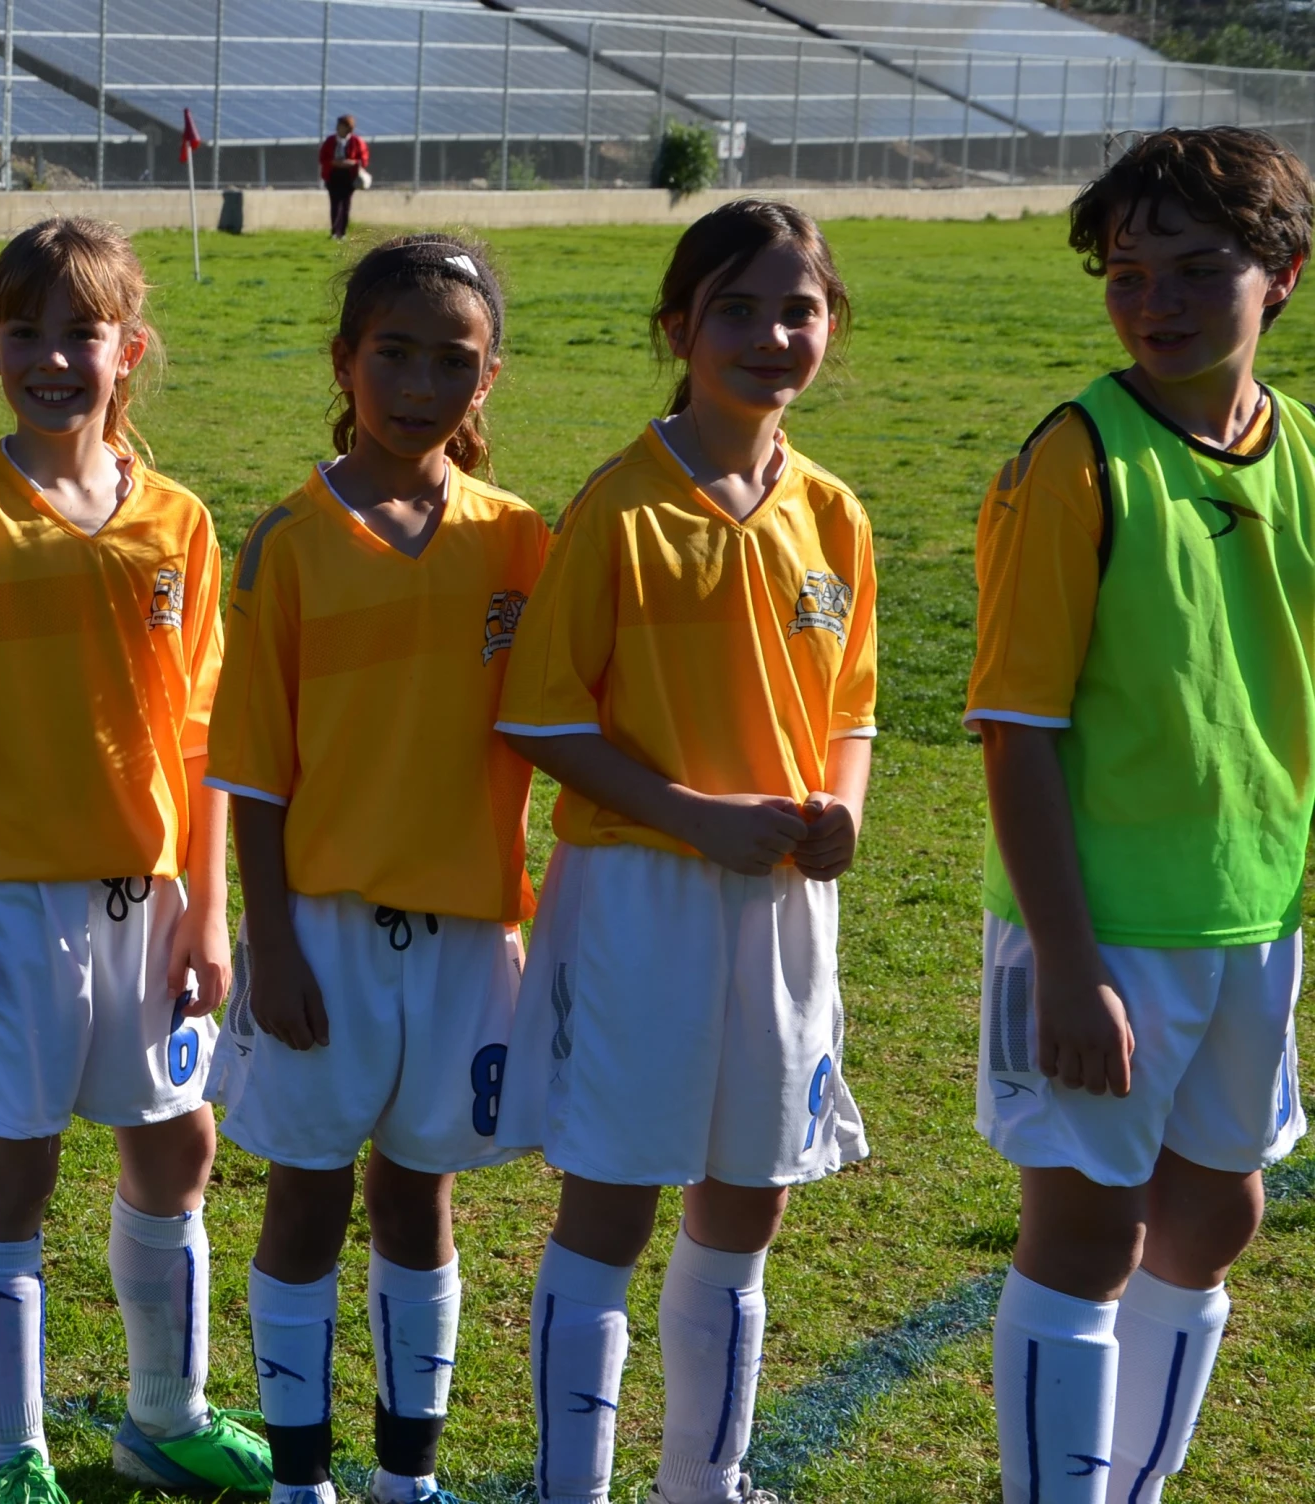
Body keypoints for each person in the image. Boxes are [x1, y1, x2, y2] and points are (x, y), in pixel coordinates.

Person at [493, 199, 877, 1504]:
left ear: (827, 327)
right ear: (678, 328)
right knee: (609, 1201)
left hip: (778, 907)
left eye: (795, 309)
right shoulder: (619, 506)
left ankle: (700, 1482)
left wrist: (843, 809)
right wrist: (694, 815)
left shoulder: (832, 514)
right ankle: (571, 1487)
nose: (768, 334)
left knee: (747, 1200)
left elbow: (853, 713)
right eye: (734, 309)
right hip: (640, 897)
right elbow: (542, 718)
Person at [0, 216, 266, 1504]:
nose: (53, 358)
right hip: (6, 907)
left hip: (148, 900)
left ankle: (163, 1414)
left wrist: (207, 911)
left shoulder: (180, 524)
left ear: (128, 349)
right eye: (26, 332)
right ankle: (9, 1448)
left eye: (80, 333)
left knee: (180, 1143)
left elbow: (206, 735)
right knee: (17, 1163)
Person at [965, 127, 1312, 1504]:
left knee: (1215, 1214)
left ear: (1281, 274)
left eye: (1193, 268)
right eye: (1124, 273)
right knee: (1080, 1235)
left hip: (1249, 911)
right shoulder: (1074, 459)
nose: (1154, 300)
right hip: (1096, 928)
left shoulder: (1300, 460)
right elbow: (1014, 730)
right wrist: (1064, 960)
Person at [209, 235, 547, 1504]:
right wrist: (275, 943)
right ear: (344, 363)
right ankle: (300, 1476)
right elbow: (254, 773)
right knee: (306, 1194)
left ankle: (406, 1471)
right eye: (391, 353)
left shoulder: (520, 540)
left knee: (420, 1197)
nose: (417, 382)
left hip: (467, 937)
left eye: (449, 360)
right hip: (327, 933)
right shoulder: (287, 541)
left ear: (488, 379)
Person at [320, 116, 370, 241]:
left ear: (348, 128)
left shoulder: (356, 141)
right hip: (333, 176)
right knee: (335, 204)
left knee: (346, 204)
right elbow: (323, 158)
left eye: (341, 126)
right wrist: (334, 163)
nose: (338, 128)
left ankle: (342, 232)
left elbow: (363, 158)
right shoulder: (330, 141)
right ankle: (334, 232)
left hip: (349, 177)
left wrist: (352, 163)